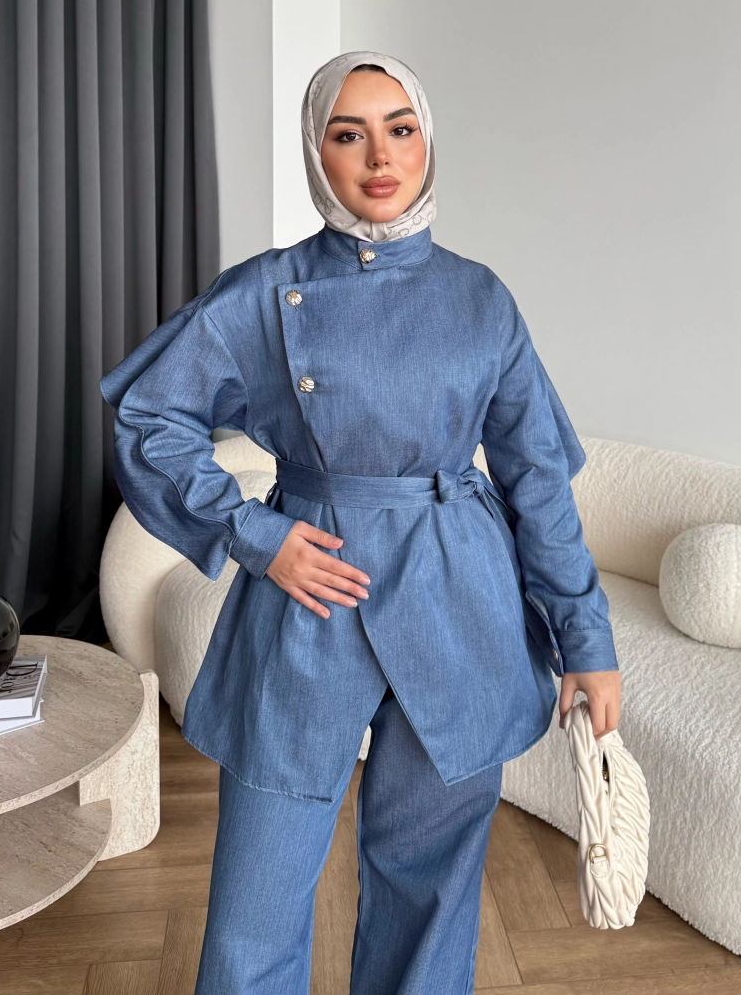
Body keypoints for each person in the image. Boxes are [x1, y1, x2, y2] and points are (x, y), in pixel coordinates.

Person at [99, 51, 621, 995]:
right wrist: (255, 536)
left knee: (432, 898)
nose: (380, 157)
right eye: (349, 134)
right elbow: (149, 417)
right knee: (255, 903)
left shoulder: (481, 299)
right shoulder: (263, 291)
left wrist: (588, 640)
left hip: (459, 601)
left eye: (400, 128)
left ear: (428, 141)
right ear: (317, 153)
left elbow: (538, 481)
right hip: (306, 602)